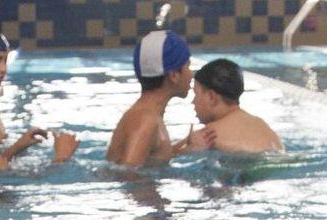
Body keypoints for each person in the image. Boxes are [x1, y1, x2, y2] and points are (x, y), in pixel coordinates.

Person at [106, 30, 214, 167]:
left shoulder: (147, 115)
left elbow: (146, 161)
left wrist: (182, 150)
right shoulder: (145, 120)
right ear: (174, 75)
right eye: (188, 66)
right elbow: (127, 175)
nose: (191, 75)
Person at [191, 59, 283, 154]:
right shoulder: (264, 127)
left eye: (195, 94)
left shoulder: (208, 136)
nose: (193, 101)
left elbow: (176, 157)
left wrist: (187, 149)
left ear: (211, 97)